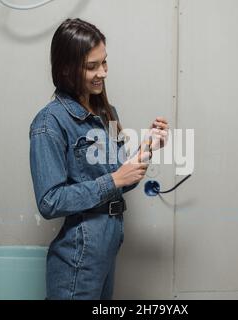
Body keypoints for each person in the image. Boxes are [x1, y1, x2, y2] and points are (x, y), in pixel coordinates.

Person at [29, 18, 169, 300]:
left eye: (104, 63)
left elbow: (121, 177)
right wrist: (114, 179)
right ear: (66, 69)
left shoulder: (108, 113)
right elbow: (49, 201)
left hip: (109, 245)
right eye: (92, 66)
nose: (102, 73)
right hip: (79, 254)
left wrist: (148, 148)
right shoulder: (48, 123)